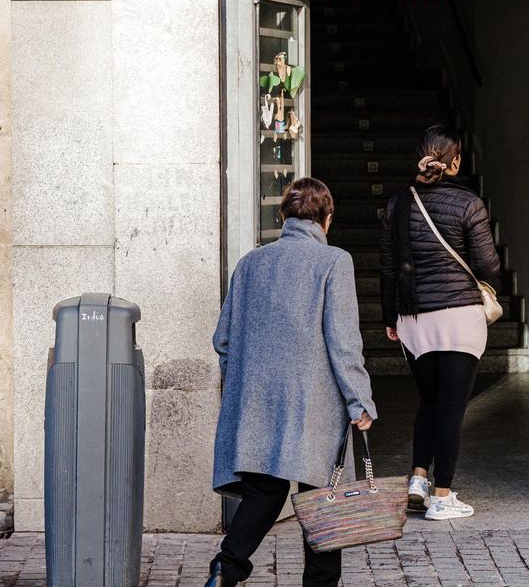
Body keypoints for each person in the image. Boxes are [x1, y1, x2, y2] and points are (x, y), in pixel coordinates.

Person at [207, 178, 376, 587]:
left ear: (283, 216)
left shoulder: (250, 263)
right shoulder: (334, 261)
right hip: (313, 405)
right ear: (327, 219)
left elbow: (223, 340)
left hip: (258, 402)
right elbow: (343, 341)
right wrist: (360, 400)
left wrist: (244, 386)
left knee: (265, 491)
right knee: (324, 498)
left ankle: (225, 569)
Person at [379, 124, 501, 521]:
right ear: (456, 161)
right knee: (451, 408)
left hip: (414, 321)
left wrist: (389, 317)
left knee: (428, 401)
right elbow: (487, 265)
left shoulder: (398, 203)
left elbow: (387, 267)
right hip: (460, 319)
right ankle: (443, 496)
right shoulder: (469, 204)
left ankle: (417, 479)